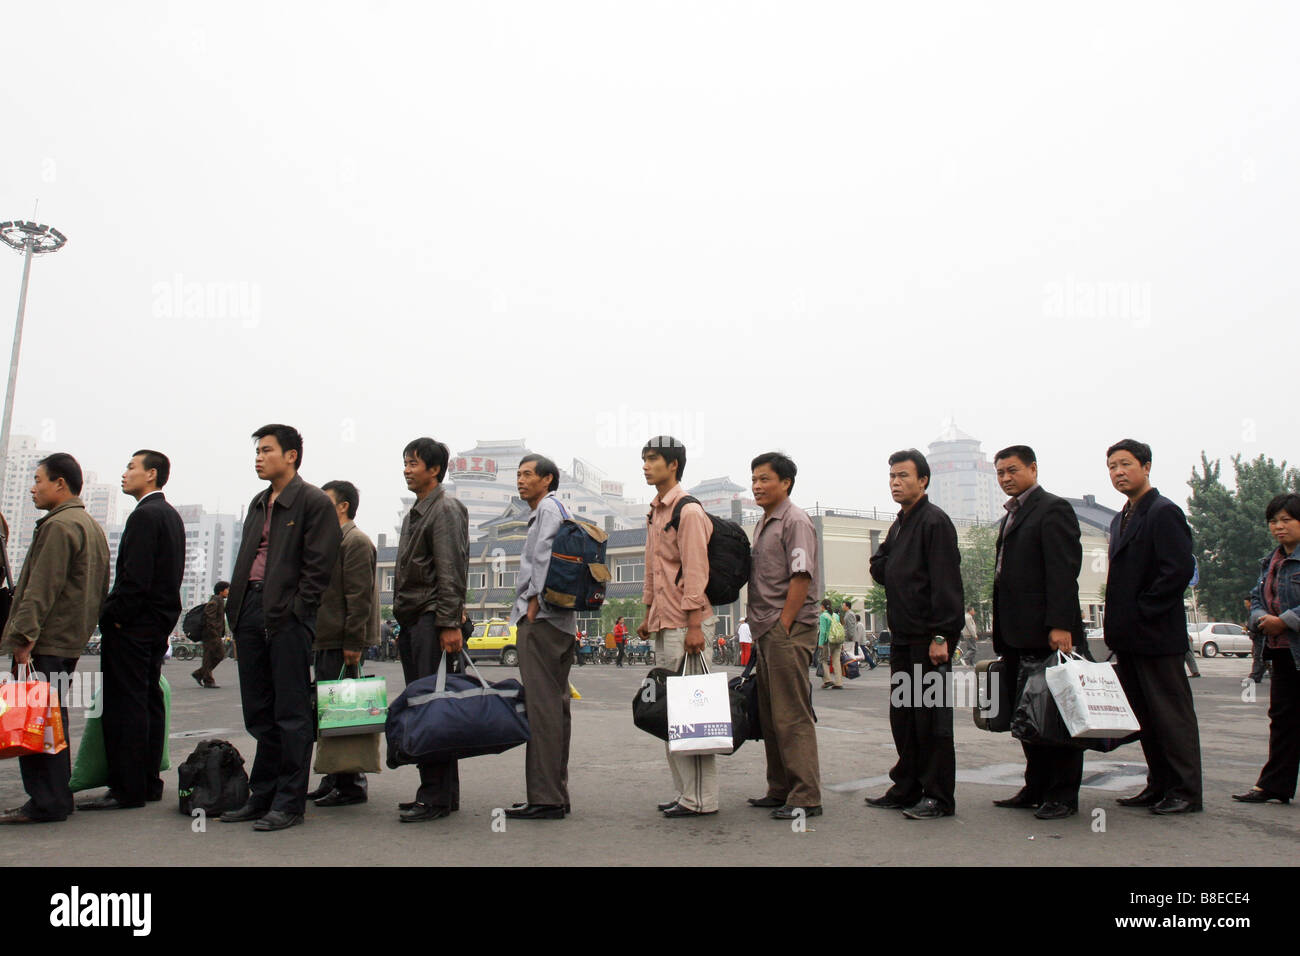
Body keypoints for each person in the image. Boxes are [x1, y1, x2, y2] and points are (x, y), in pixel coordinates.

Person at [221, 425, 341, 832]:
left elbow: (320, 566)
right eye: (257, 450)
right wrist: (234, 612)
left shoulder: (312, 502)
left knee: (291, 712)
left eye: (267, 450)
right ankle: (263, 795)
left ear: (291, 455)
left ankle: (289, 802)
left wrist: (295, 610)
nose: (258, 457)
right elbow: (247, 559)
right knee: (259, 710)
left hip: (287, 616)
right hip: (249, 610)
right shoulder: (259, 502)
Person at [0, 454, 110, 825]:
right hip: (68, 640)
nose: (33, 487)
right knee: (51, 722)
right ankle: (56, 798)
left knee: (36, 723)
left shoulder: (59, 526)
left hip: (44, 642)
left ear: (60, 483)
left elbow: (41, 588)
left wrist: (24, 636)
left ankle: (46, 802)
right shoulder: (90, 526)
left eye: (39, 480)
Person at [80, 450, 185, 812]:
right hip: (156, 625)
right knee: (148, 702)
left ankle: (126, 789)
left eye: (130, 467)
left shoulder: (145, 516)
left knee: (125, 706)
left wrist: (111, 617)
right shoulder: (170, 515)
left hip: (133, 625)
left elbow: (134, 579)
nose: (124, 474)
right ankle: (147, 782)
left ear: (151, 475)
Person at [987, 445, 1088, 821]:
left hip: (1046, 633)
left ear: (1033, 468)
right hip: (1015, 635)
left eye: (1012, 470)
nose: (1005, 478)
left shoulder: (1053, 509)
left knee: (1057, 715)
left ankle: (1062, 794)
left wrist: (1060, 625)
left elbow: (1063, 571)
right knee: (1028, 714)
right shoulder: (1011, 516)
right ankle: (1036, 786)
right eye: (999, 473)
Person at [1103, 439, 1202, 815]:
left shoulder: (1164, 512)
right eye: (1112, 466)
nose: (1118, 472)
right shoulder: (1121, 517)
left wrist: (1143, 610)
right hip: (1129, 637)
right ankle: (1158, 784)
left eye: (1125, 464)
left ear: (1146, 467)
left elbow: (1177, 571)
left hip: (1157, 636)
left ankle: (1185, 791)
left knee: (1171, 716)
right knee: (1145, 717)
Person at [865, 449, 963, 820]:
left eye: (903, 476)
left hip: (929, 639)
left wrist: (942, 636)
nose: (895, 482)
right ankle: (907, 786)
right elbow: (878, 566)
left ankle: (939, 796)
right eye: (892, 476)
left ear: (923, 480)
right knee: (904, 715)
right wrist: (893, 566)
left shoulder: (934, 523)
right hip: (903, 637)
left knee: (932, 719)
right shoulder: (900, 524)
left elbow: (946, 582)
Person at [637, 436, 718, 818]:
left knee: (692, 714)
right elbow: (656, 569)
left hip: (686, 627)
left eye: (653, 459)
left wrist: (695, 626)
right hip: (664, 624)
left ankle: (701, 798)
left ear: (673, 465)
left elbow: (696, 572)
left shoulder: (688, 512)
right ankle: (686, 793)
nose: (646, 465)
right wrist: (648, 613)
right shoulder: (656, 511)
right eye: (644, 459)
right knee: (671, 714)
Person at [392, 437, 469, 823]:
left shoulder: (445, 509)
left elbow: (451, 570)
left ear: (434, 469)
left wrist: (449, 623)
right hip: (414, 621)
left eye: (413, 463)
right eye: (405, 462)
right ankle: (442, 793)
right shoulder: (416, 513)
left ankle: (435, 796)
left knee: (432, 708)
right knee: (429, 706)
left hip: (430, 620)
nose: (406, 469)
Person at [744, 451, 823, 820]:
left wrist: (785, 625)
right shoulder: (765, 522)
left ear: (785, 483)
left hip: (785, 628)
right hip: (766, 628)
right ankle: (779, 789)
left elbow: (801, 576)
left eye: (765, 479)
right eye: (754, 479)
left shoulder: (795, 520)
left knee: (792, 715)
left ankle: (806, 797)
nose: (757, 486)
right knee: (771, 713)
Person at [505, 454, 575, 820]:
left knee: (543, 708)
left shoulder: (547, 510)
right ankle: (554, 794)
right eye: (518, 474)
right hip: (559, 622)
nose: (521, 480)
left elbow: (544, 557)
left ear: (547, 479)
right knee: (554, 708)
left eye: (528, 474)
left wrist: (532, 604)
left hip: (543, 621)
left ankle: (546, 798)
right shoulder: (555, 508)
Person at [306, 480, 380, 808]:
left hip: (341, 641)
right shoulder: (333, 540)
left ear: (343, 506)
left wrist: (354, 642)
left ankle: (350, 783)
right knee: (330, 713)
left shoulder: (356, 541)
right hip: (327, 638)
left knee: (344, 713)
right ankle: (334, 775)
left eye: (325, 502)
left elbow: (359, 596)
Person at [1234, 492, 1300, 804]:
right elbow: (1256, 599)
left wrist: (1285, 621)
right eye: (1273, 521)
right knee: (1283, 718)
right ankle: (1274, 785)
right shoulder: (1270, 561)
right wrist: (1261, 618)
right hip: (1283, 651)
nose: (1279, 526)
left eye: (1286, 520)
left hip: (1293, 639)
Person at [193, 581, 229, 688]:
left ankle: (200, 674)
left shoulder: (220, 601)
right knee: (212, 656)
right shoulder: (215, 601)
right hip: (211, 635)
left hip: (214, 634)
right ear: (221, 591)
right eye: (227, 589)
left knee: (217, 655)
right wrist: (214, 632)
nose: (228, 591)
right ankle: (207, 679)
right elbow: (209, 618)